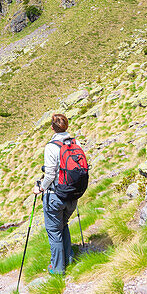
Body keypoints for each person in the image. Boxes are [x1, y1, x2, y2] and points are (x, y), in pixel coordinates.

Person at [33, 113, 87, 275]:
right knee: (63, 225)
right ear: (67, 126)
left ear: (52, 128)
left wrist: (40, 188)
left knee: (54, 231)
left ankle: (57, 269)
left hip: (55, 195)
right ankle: (68, 258)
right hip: (72, 194)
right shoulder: (74, 143)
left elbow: (50, 174)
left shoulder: (51, 146)